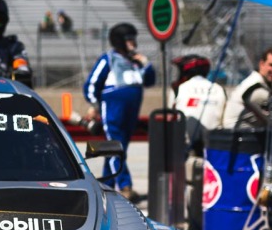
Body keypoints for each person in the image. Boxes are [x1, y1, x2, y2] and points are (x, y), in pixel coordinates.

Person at [83, 22, 156, 200]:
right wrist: (95, 105)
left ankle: (105, 186)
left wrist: (145, 62)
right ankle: (125, 186)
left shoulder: (135, 62)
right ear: (119, 40)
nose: (133, 43)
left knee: (117, 148)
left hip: (131, 112)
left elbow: (150, 80)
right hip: (113, 109)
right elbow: (91, 84)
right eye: (129, 39)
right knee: (115, 147)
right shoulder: (108, 59)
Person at [170, 53, 225, 154]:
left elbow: (170, 117)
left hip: (186, 148)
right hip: (214, 145)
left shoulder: (178, 89)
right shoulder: (219, 89)